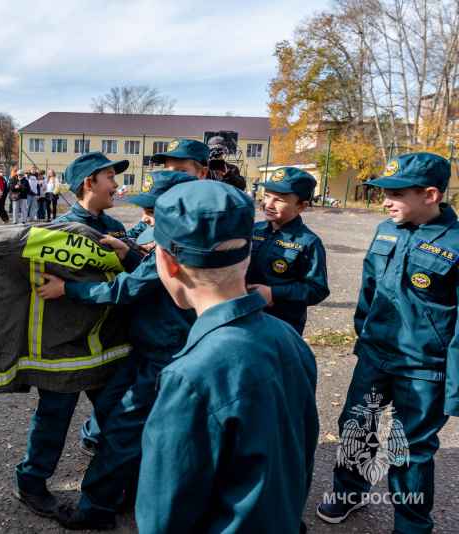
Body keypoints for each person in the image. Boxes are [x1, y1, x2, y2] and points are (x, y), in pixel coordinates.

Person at [135, 180, 319, 534]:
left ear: (168, 263)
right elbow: (301, 455)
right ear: (248, 254)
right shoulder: (289, 340)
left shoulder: (190, 376)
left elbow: (163, 514)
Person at [36, 168, 202, 531]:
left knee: (120, 430)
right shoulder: (167, 234)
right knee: (110, 413)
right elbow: (146, 269)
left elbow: (127, 288)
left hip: (161, 353)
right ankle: (129, 487)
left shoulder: (174, 243)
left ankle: (96, 509)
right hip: (145, 349)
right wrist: (127, 250)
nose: (144, 217)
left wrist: (67, 291)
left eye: (151, 211)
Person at [318, 153, 459, 534]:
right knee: (356, 428)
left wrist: (455, 386)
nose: (385, 201)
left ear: (430, 194)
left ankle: (412, 525)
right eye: (384, 192)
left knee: (410, 449)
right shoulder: (386, 229)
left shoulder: (456, 242)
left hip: (424, 368)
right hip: (375, 355)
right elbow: (369, 289)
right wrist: (364, 336)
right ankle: (351, 492)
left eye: (395, 193)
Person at [13, 151, 140, 519]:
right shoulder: (55, 231)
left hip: (109, 346)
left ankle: (124, 482)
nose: (117, 185)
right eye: (110, 179)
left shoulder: (117, 228)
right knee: (54, 417)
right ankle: (30, 484)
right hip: (66, 348)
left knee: (118, 418)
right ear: (89, 184)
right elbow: (27, 277)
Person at [246, 167, 330, 335]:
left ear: (301, 207)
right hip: (246, 317)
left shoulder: (308, 242)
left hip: (282, 326)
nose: (268, 204)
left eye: (280, 200)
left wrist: (272, 293)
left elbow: (317, 289)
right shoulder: (252, 231)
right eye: (267, 195)